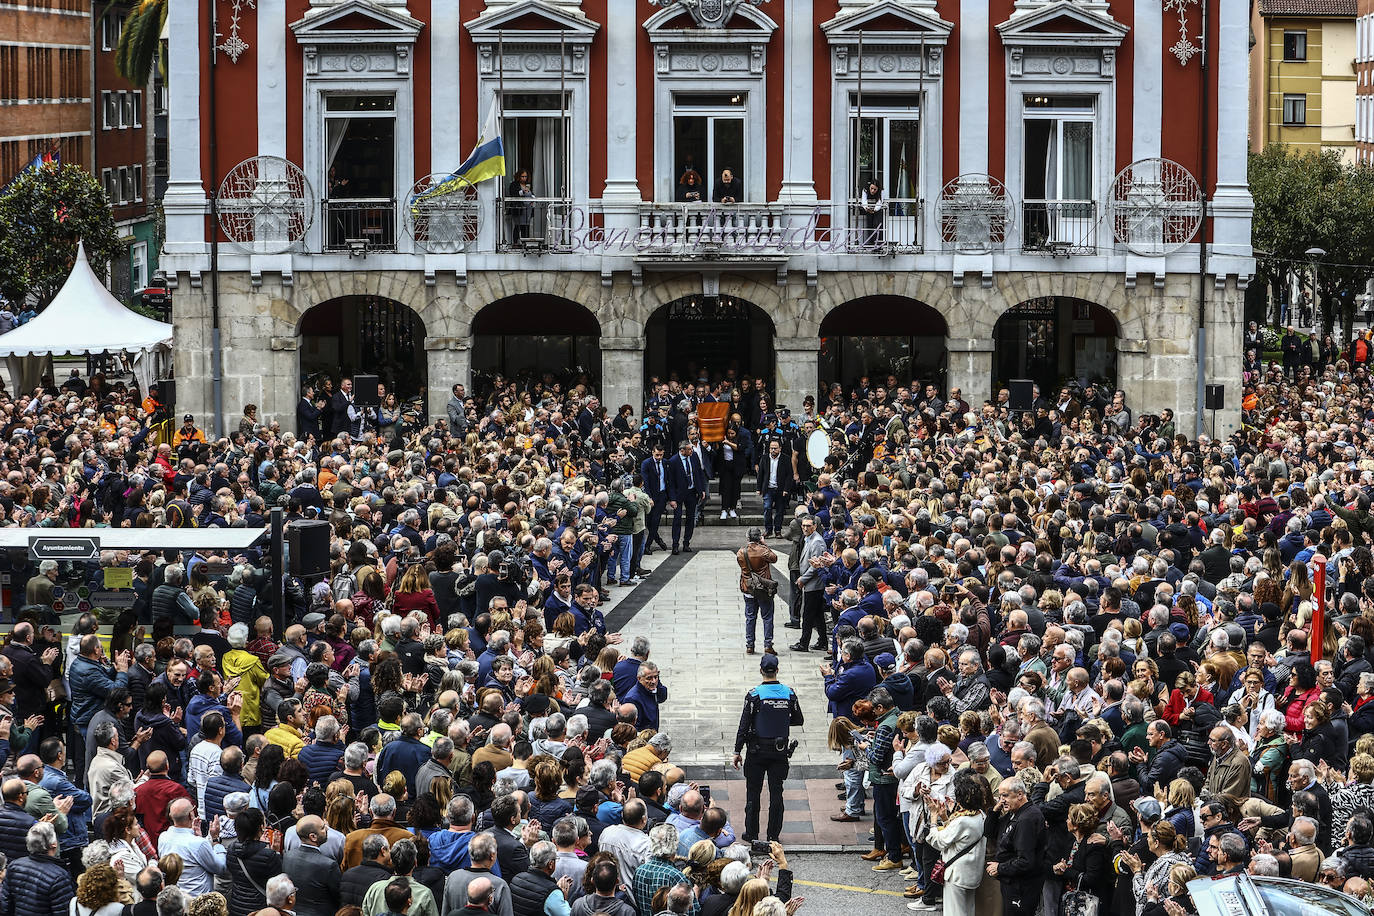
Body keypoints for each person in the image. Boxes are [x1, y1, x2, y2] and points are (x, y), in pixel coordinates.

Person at [733, 653, 803, 844]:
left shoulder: (754, 695)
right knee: (776, 794)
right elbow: (798, 719)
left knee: (753, 794)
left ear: (761, 670)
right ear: (777, 670)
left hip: (756, 752)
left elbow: (744, 725)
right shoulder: (789, 693)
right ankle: (773, 835)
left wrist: (737, 751)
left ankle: (752, 834)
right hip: (779, 752)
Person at [987, 778, 1044, 916]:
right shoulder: (1014, 814)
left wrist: (999, 867)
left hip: (1022, 885)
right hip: (1012, 882)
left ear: (1019, 794)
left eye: (1005, 795)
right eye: (1000, 796)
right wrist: (995, 810)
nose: (1002, 800)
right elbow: (989, 832)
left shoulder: (1027, 818)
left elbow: (1025, 861)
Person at [737, 529, 779, 655]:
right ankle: (768, 645)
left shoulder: (741, 552)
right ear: (759, 538)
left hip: (748, 588)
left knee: (750, 617)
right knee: (767, 617)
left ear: (747, 538)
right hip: (763, 589)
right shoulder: (763, 551)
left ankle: (750, 645)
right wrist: (764, 544)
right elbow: (774, 558)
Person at [666, 439, 706, 554]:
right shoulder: (673, 461)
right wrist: (672, 498)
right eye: (689, 449)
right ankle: (675, 544)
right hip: (679, 494)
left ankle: (686, 542)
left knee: (690, 518)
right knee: (677, 519)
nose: (692, 451)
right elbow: (671, 482)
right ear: (682, 450)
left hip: (692, 492)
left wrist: (701, 489)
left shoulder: (693, 457)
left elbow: (698, 473)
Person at [756, 439, 793, 538]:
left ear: (780, 449)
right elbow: (760, 474)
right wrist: (758, 488)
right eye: (771, 448)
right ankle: (768, 529)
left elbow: (789, 475)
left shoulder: (786, 459)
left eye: (775, 448)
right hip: (768, 488)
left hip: (780, 489)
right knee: (767, 508)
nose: (773, 450)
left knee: (779, 510)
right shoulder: (764, 458)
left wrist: (786, 489)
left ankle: (777, 530)